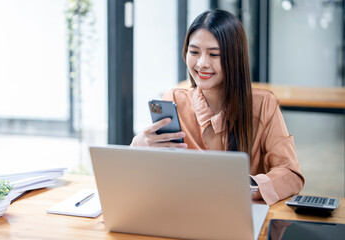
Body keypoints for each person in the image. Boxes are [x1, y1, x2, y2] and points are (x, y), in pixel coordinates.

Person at [130, 9, 304, 205]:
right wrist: (138, 147)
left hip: (241, 215)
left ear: (234, 58)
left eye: (214, 54)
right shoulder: (174, 100)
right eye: (194, 52)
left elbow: (291, 175)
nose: (202, 63)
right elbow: (154, 175)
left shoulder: (264, 104)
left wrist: (245, 188)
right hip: (185, 209)